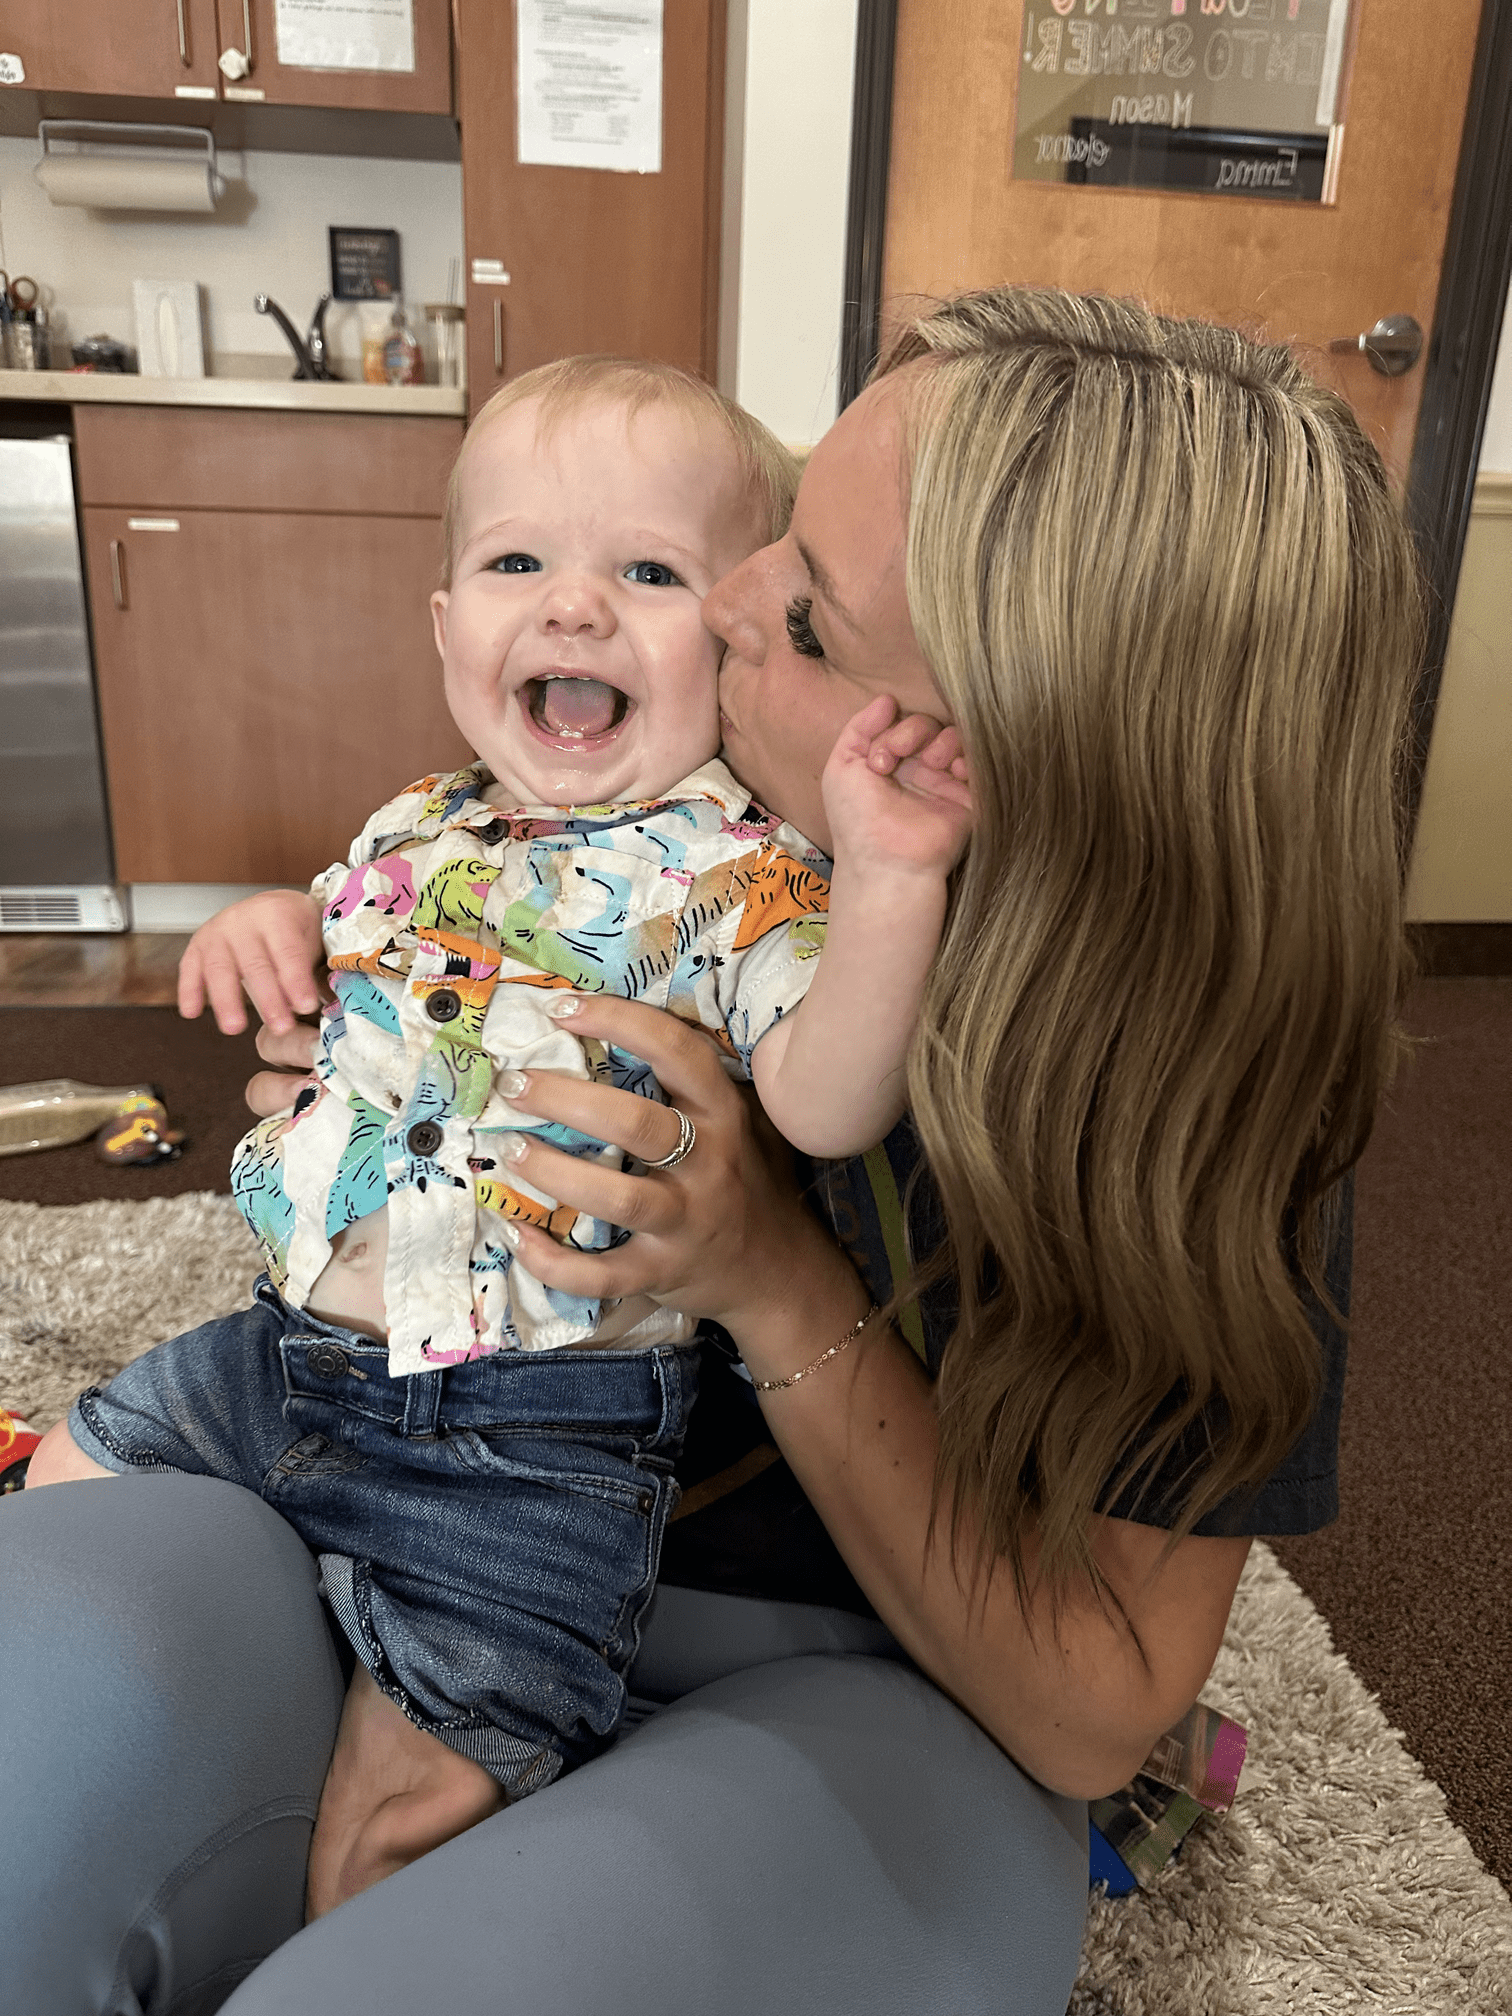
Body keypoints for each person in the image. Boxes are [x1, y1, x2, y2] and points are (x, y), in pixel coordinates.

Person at [1, 286, 1420, 2016]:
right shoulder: (574, 836)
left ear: (1002, 765)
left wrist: (763, 1267)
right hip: (362, 1497)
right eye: (782, 523)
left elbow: (1092, 1694)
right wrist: (353, 1072)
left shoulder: (1204, 1090)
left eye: (807, 617)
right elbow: (387, 946)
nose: (723, 590)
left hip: (874, 1691)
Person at [22, 355, 971, 1914]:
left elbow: (825, 1096)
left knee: (403, 1832)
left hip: (534, 1438)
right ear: (448, 626)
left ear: (731, 639)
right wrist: (272, 927)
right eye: (517, 561)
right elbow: (336, 953)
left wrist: (887, 885)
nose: (575, 606)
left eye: (648, 571)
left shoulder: (744, 869)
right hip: (282, 1356)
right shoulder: (419, 821)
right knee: (64, 1499)